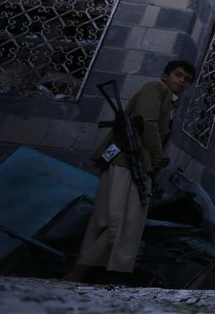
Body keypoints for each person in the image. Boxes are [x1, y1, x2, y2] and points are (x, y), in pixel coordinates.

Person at [65, 59, 196, 282]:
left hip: (139, 165)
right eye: (178, 75)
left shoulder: (170, 102)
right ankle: (79, 273)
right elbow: (148, 122)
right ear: (166, 76)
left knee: (123, 222)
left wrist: (157, 160)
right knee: (116, 220)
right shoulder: (155, 88)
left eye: (186, 80)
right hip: (127, 162)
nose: (181, 81)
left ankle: (92, 273)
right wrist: (157, 155)